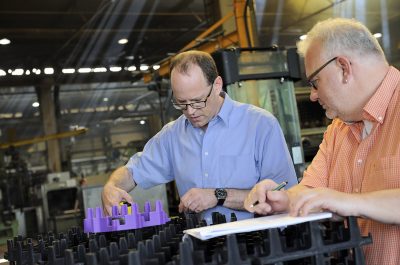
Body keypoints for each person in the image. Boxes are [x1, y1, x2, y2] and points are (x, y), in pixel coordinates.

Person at [244, 18, 400, 264]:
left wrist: (349, 202)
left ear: (343, 67)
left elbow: (337, 200)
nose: (314, 96)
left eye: (314, 83)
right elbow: (311, 190)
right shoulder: (338, 129)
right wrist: (282, 200)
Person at [102, 50, 297, 224]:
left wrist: (218, 195)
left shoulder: (260, 125)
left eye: (197, 101)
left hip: (256, 244)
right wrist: (112, 186)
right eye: (181, 103)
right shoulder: (173, 135)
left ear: (217, 85)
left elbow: (282, 196)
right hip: (199, 248)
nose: (191, 111)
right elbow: (133, 171)